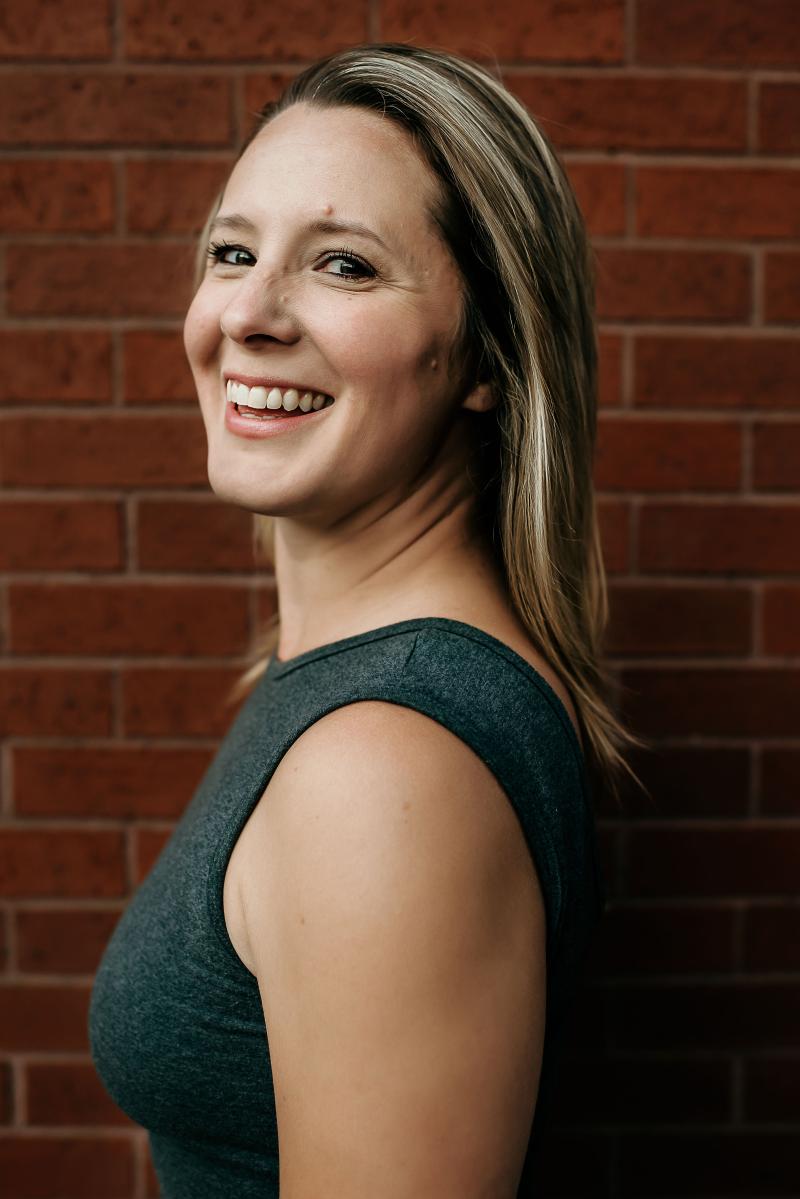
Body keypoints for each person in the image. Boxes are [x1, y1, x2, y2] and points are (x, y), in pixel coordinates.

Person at [89, 42, 645, 1198]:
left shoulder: (384, 764)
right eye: (232, 252)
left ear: (484, 357)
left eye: (342, 265)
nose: (246, 312)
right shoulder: (353, 694)